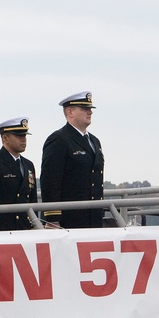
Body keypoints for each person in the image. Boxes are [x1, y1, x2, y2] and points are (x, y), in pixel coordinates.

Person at [40, 91, 105, 228]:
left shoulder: (94, 142)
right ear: (70, 112)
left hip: (93, 217)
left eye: (90, 109)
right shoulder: (59, 139)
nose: (90, 112)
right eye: (84, 109)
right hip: (69, 219)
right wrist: (52, 218)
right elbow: (50, 181)